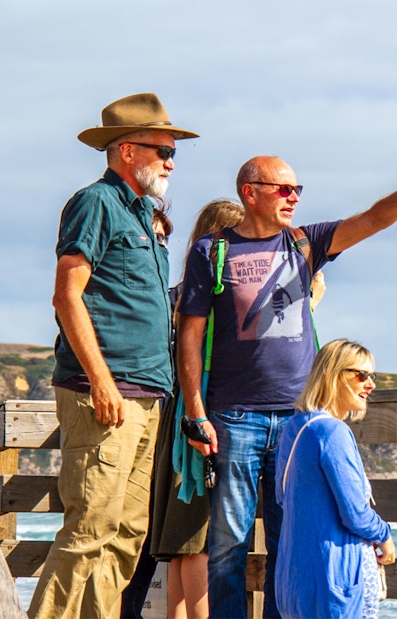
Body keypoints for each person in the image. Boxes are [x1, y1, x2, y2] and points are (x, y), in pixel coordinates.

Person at [177, 154, 397, 618]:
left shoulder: (305, 242)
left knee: (289, 544)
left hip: (298, 421)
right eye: (283, 189)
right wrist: (196, 413)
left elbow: (376, 218)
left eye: (298, 190)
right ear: (249, 192)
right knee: (226, 548)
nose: (294, 198)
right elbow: (190, 336)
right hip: (234, 415)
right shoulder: (211, 251)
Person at [28, 93, 198, 619]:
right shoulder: (95, 203)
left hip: (148, 394)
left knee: (127, 534)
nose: (171, 162)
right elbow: (67, 295)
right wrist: (101, 380)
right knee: (89, 529)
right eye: (163, 151)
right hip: (107, 391)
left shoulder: (146, 214)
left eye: (173, 153)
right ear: (127, 150)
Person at [152, 199, 245, 619]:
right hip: (202, 421)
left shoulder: (174, 296)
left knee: (181, 541)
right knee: (200, 538)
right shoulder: (216, 299)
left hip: (174, 421)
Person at [275, 339, 396, 618]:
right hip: (332, 580)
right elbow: (355, 513)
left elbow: (283, 498)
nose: (371, 384)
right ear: (332, 374)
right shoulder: (333, 432)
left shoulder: (294, 428)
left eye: (372, 376)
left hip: (292, 578)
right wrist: (384, 535)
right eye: (361, 375)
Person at [120, 204, 174, 619]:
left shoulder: (167, 298)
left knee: (146, 540)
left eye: (163, 240)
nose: (158, 249)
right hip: (152, 436)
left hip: (167, 438)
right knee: (130, 538)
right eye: (153, 239)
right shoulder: (172, 302)